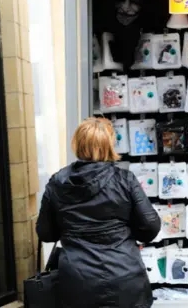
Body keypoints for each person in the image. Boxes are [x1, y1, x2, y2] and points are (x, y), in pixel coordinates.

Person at [36, 117, 160, 308]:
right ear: (109, 144)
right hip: (124, 275)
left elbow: (45, 233)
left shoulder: (57, 182)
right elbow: (150, 226)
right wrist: (126, 234)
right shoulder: (124, 180)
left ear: (77, 144)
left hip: (77, 281)